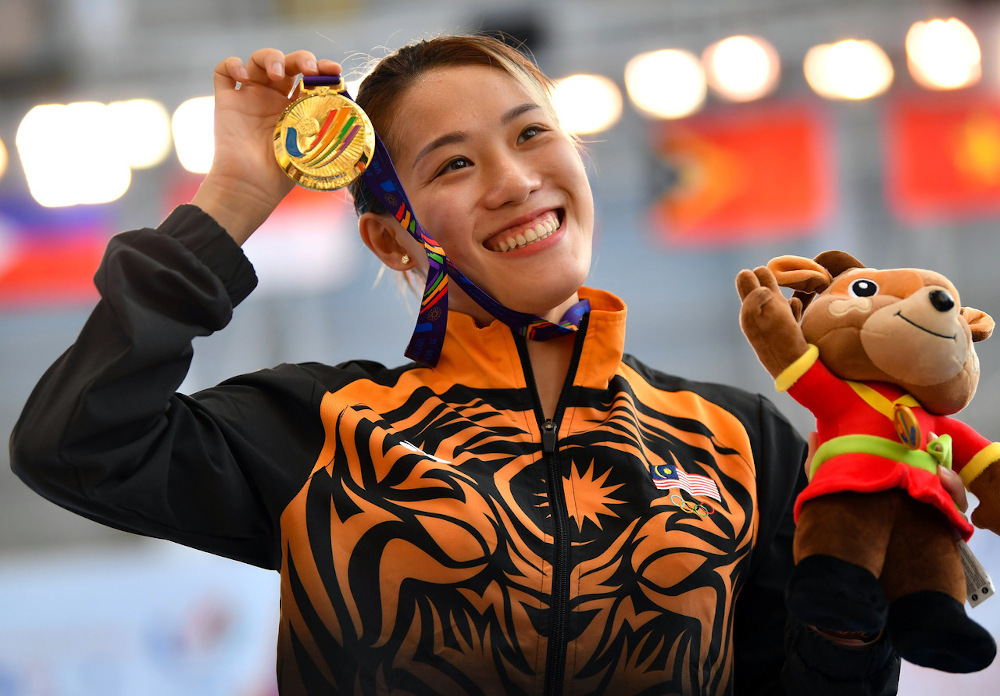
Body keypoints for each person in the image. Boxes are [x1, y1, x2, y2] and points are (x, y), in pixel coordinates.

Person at [8, 35, 909, 695]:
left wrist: (859, 584)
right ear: (394, 238)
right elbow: (76, 442)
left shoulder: (737, 439)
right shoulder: (329, 430)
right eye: (453, 164)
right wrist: (234, 200)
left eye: (530, 135)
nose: (514, 180)